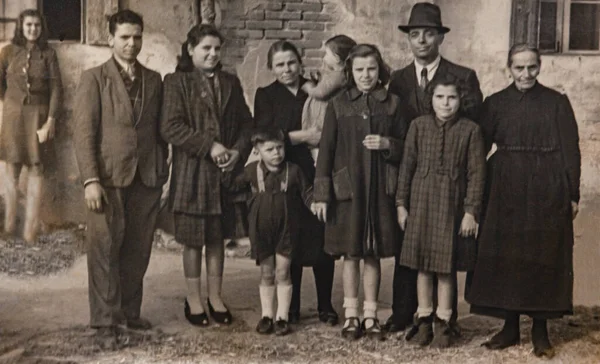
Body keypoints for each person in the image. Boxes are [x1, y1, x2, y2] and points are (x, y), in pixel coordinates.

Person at [466, 44, 581, 359]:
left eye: (532, 67)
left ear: (540, 67)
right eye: (519, 68)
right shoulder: (495, 103)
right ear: (509, 68)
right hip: (504, 187)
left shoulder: (557, 103)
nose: (526, 74)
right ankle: (510, 327)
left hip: (548, 186)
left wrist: (573, 193)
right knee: (508, 255)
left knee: (543, 254)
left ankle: (540, 331)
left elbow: (571, 149)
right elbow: (479, 150)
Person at [385, 2, 484, 334]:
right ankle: (405, 314)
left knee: (445, 253)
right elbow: (395, 131)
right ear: (408, 40)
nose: (422, 41)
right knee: (409, 249)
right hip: (411, 174)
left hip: (449, 178)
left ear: (440, 37)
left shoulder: (462, 77)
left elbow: (472, 130)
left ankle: (445, 318)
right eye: (415, 34)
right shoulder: (397, 80)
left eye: (429, 33)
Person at [73, 10, 168, 349]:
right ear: (110, 38)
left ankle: (128, 312)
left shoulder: (154, 79)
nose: (132, 44)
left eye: (137, 37)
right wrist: (90, 180)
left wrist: (161, 172)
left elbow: (160, 130)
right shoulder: (94, 79)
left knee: (138, 249)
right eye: (125, 37)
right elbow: (84, 134)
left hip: (146, 178)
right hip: (108, 178)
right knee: (104, 249)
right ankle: (104, 321)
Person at [160, 24, 253, 328]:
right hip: (193, 174)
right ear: (190, 49)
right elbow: (170, 127)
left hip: (224, 176)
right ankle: (193, 298)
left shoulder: (230, 82)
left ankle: (215, 297)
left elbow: (246, 125)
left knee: (217, 239)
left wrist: (238, 152)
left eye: (217, 49)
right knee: (192, 241)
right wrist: (209, 146)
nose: (213, 54)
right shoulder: (177, 82)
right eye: (205, 49)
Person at [313, 44, 407, 340]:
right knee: (350, 254)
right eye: (359, 70)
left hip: (379, 189)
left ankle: (371, 316)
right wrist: (321, 194)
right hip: (349, 192)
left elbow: (408, 145)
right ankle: (351, 314)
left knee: (373, 254)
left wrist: (389, 145)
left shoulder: (392, 103)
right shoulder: (338, 104)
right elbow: (325, 151)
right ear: (349, 73)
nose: (366, 75)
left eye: (372, 69)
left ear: (380, 71)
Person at [396, 75, 485, 348]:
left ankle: (444, 321)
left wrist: (471, 211)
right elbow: (406, 168)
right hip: (421, 202)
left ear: (461, 101)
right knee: (422, 265)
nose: (445, 103)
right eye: (439, 97)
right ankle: (423, 319)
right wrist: (401, 204)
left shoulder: (470, 130)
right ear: (430, 100)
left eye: (452, 98)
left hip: (452, 204)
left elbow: (476, 174)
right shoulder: (418, 127)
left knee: (445, 268)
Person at [254, 40, 338, 326]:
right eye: (279, 64)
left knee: (322, 237)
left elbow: (331, 120)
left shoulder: (315, 89)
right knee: (292, 241)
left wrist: (316, 138)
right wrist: (304, 136)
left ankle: (326, 305)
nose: (286, 69)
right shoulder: (266, 95)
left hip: (318, 169)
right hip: (286, 174)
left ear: (300, 62)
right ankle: (292, 308)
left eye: (291, 62)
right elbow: (266, 133)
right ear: (271, 68)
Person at [228, 128, 315, 336]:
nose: (276, 153)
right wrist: (225, 166)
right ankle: (267, 315)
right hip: (260, 230)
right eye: (269, 149)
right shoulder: (251, 171)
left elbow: (308, 194)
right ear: (258, 151)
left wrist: (315, 205)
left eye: (279, 148)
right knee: (266, 273)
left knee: (283, 272)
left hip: (287, 230)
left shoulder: (293, 171)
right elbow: (231, 185)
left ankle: (282, 317)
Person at [0, 9, 62, 243]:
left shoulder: (48, 54)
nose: (33, 29)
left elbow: (57, 89)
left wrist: (51, 120)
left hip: (39, 119)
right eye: (28, 25)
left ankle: (29, 231)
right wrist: (13, 101)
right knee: (11, 172)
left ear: (41, 28)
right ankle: (8, 226)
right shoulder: (7, 52)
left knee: (37, 171)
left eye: (37, 25)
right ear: (20, 26)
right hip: (13, 119)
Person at [301, 35, 356, 163]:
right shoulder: (336, 73)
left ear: (336, 58)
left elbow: (321, 92)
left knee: (319, 142)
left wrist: (309, 87)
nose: (324, 58)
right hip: (322, 114)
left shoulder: (339, 75)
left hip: (323, 116)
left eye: (326, 54)